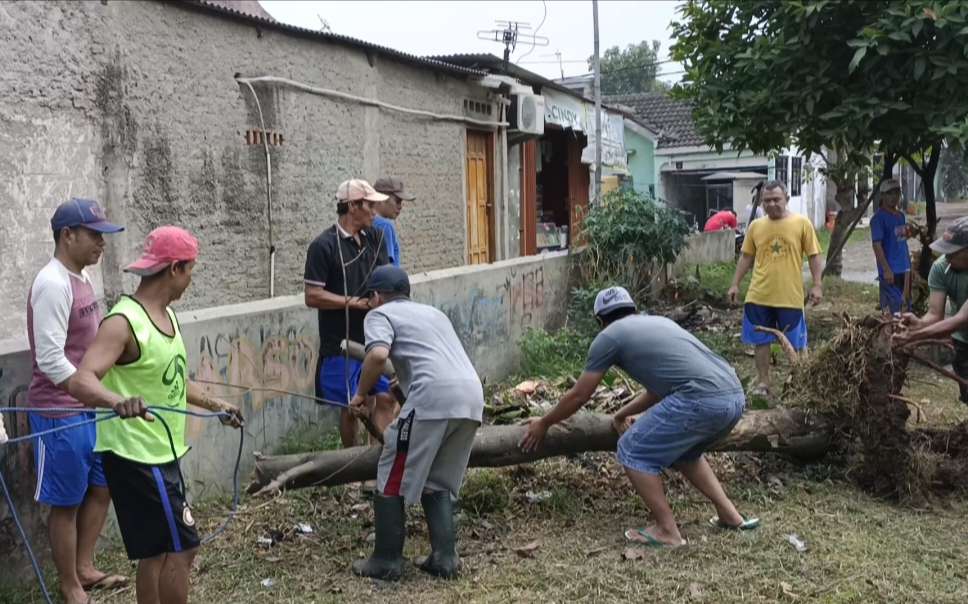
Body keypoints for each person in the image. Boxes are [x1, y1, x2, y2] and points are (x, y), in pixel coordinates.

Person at [67, 226, 243, 604]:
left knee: (158, 551)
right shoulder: (124, 321)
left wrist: (218, 405)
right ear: (175, 268)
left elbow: (175, 382)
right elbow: (81, 380)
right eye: (191, 270)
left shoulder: (167, 317)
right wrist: (117, 400)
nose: (190, 281)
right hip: (136, 457)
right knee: (182, 548)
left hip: (163, 452)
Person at [520, 286, 758, 547]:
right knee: (686, 453)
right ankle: (730, 515)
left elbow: (580, 394)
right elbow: (659, 390)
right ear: (633, 309)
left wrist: (543, 423)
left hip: (701, 399)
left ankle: (667, 531)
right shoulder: (658, 323)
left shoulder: (609, 336)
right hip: (734, 397)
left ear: (600, 320)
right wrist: (620, 415)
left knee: (633, 449)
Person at [350, 265, 483, 580]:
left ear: (378, 296)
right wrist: (400, 387)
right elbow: (428, 362)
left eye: (370, 298)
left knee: (391, 472)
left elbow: (378, 356)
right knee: (437, 480)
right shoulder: (433, 314)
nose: (369, 304)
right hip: (470, 397)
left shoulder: (379, 315)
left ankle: (386, 560)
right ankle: (445, 558)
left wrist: (360, 395)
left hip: (431, 399)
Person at [26, 198, 127, 604]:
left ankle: (85, 566)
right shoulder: (51, 283)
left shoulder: (81, 277)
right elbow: (50, 359)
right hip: (59, 412)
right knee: (65, 502)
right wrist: (100, 394)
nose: (102, 244)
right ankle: (70, 585)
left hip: (90, 408)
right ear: (68, 235)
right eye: (94, 235)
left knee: (101, 488)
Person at [304, 179, 395, 448]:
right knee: (354, 406)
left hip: (375, 338)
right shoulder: (323, 246)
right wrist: (355, 303)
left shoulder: (376, 238)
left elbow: (385, 278)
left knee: (388, 396)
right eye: (369, 206)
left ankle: (379, 460)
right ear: (353, 206)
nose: (374, 213)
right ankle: (353, 464)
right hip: (341, 343)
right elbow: (312, 296)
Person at [727, 180, 823, 398]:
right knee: (761, 341)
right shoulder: (756, 226)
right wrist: (735, 283)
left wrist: (817, 285)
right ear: (762, 202)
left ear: (787, 199)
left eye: (776, 199)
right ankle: (764, 383)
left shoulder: (802, 223)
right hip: (759, 295)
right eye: (767, 201)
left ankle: (800, 382)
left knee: (796, 343)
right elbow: (746, 257)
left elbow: (815, 256)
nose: (771, 204)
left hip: (789, 296)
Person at [896, 216, 968, 405]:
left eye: (953, 252)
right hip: (963, 343)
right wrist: (919, 324)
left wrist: (913, 336)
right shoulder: (941, 268)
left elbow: (961, 318)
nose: (947, 256)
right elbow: (935, 314)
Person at [870, 178, 912, 313]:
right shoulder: (878, 219)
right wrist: (886, 269)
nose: (894, 197)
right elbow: (877, 245)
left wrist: (909, 266)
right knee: (893, 312)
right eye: (889, 193)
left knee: (906, 308)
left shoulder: (900, 216)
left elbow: (902, 242)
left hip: (903, 270)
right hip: (890, 272)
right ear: (882, 196)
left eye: (896, 193)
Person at [372, 177, 415, 267]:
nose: (400, 206)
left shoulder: (366, 221)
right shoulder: (384, 225)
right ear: (382, 199)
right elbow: (387, 269)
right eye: (397, 201)